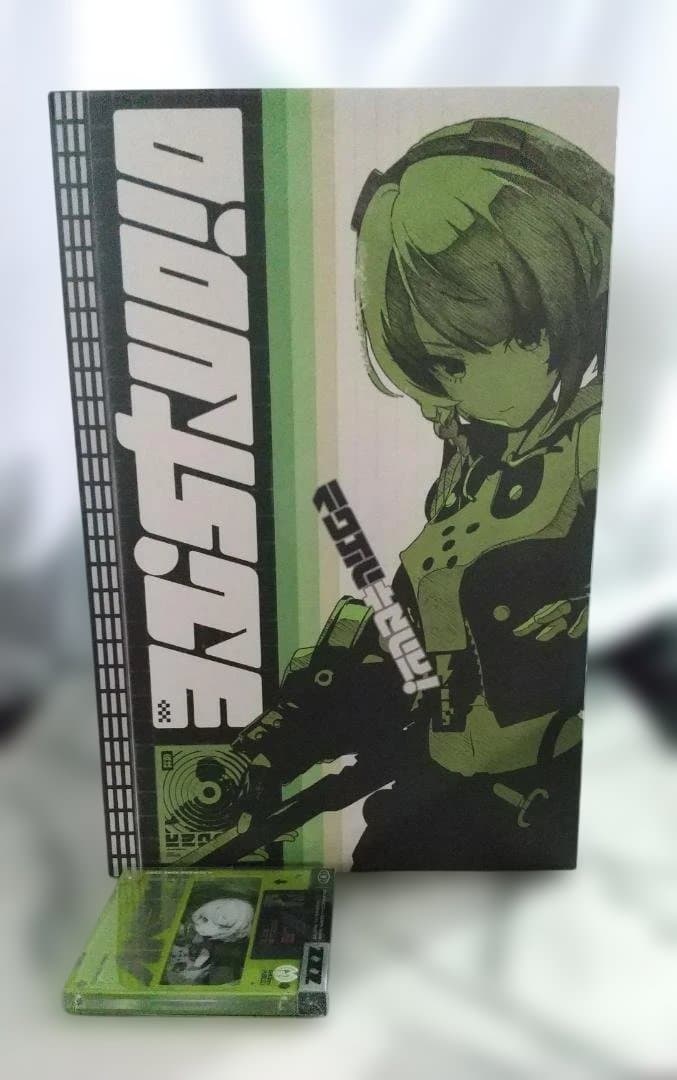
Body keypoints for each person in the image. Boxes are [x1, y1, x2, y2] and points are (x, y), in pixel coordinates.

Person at [223, 118, 613, 870]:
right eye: (428, 366)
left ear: (551, 314)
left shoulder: (602, 447)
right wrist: (279, 745)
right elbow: (401, 651)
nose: (441, 397)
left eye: (456, 361)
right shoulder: (477, 463)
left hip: (559, 824)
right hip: (436, 802)